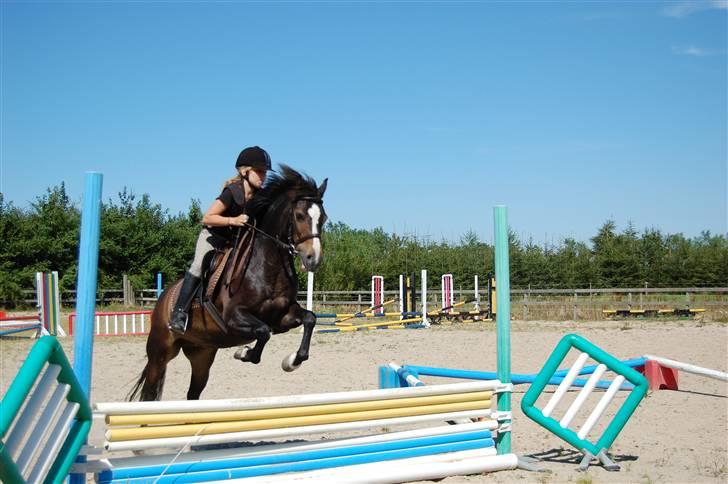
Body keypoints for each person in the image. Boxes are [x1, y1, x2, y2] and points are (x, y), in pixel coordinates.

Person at [168, 146, 272, 334]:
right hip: (213, 238)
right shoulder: (232, 192)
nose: (263, 176)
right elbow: (207, 217)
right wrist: (233, 220)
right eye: (259, 172)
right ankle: (179, 313)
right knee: (199, 266)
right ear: (244, 171)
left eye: (264, 173)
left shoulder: (259, 197)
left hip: (235, 242)